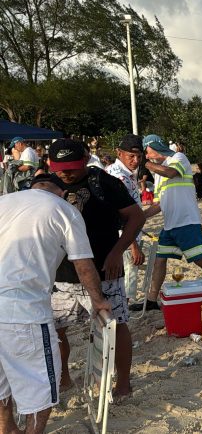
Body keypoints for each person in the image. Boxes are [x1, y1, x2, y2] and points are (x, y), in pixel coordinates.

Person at [0, 175, 111, 434]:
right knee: (39, 384)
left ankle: (7, 429)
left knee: (2, 381)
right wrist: (98, 300)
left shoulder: (4, 201)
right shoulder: (65, 210)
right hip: (24, 311)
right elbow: (83, 265)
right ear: (61, 192)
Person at [46, 139, 144, 399]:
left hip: (104, 270)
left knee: (117, 324)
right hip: (61, 274)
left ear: (86, 158)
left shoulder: (105, 182)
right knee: (54, 329)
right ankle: (63, 377)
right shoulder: (46, 184)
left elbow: (136, 216)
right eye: (60, 167)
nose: (66, 173)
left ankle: (124, 383)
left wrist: (117, 251)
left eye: (72, 167)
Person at [130, 134, 202, 311]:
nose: (147, 155)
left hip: (187, 222)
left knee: (200, 259)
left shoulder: (178, 158)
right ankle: (151, 300)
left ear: (156, 148)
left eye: (148, 152)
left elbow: (172, 173)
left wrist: (147, 165)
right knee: (160, 260)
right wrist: (141, 217)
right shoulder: (158, 173)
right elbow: (158, 204)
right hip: (170, 225)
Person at [105, 135, 147, 301]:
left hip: (125, 237)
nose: (135, 160)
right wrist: (133, 245)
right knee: (125, 282)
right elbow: (120, 215)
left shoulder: (122, 173)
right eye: (131, 156)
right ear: (119, 153)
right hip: (124, 240)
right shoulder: (119, 177)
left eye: (139, 157)